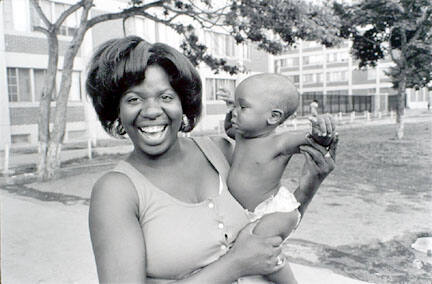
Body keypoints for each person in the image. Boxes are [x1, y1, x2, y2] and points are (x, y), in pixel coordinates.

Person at [86, 36, 338, 283]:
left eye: (166, 97)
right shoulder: (116, 192)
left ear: (183, 103)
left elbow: (272, 226)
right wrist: (235, 263)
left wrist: (308, 185)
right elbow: (246, 257)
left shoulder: (221, 153)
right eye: (133, 99)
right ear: (116, 110)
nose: (152, 111)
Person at [218, 74, 335, 284]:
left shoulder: (278, 143)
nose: (234, 112)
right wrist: (233, 110)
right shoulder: (242, 135)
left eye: (242, 107)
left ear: (273, 117)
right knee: (249, 251)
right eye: (234, 105)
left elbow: (309, 140)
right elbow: (228, 129)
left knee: (265, 251)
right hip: (249, 213)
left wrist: (321, 134)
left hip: (273, 211)